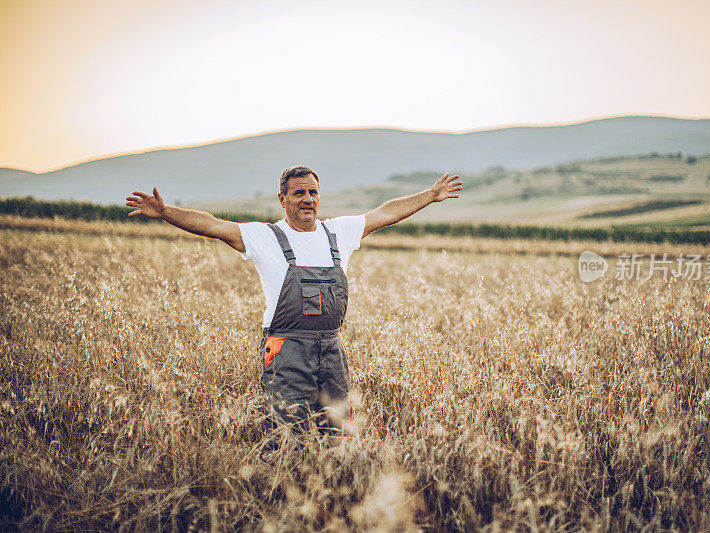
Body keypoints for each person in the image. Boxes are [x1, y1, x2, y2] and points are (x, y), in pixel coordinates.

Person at [125, 165, 462, 446]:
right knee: (286, 437)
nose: (307, 199)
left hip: (332, 348)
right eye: (299, 193)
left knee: (337, 434)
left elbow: (385, 213)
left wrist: (430, 196)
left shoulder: (339, 233)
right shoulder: (264, 236)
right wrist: (166, 213)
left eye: (313, 192)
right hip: (286, 349)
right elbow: (213, 225)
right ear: (282, 199)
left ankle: (331, 500)